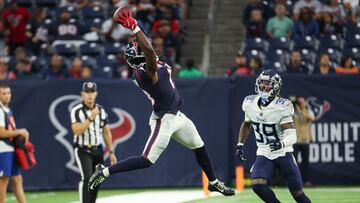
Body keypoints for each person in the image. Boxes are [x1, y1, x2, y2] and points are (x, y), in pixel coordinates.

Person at [88, 9, 235, 196]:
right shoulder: (144, 72)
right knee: (147, 160)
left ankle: (213, 182)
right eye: (141, 48)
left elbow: (148, 47)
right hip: (163, 119)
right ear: (140, 57)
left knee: (199, 147)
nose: (147, 46)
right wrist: (134, 27)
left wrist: (137, 30)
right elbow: (148, 50)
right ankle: (104, 171)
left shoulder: (148, 63)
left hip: (177, 116)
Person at [235, 70, 312, 203]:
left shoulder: (282, 106)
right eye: (262, 83)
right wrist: (240, 144)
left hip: (283, 153)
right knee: (258, 185)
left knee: (298, 194)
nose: (264, 86)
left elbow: (293, 135)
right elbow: (247, 124)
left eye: (268, 84)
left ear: (276, 87)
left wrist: (281, 144)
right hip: (264, 152)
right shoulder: (249, 103)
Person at [70, 82, 117, 203]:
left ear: (96, 94)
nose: (89, 95)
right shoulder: (76, 111)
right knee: (87, 178)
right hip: (83, 149)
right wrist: (91, 117)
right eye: (87, 92)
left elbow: (106, 131)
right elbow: (76, 131)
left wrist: (111, 152)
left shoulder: (101, 110)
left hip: (97, 149)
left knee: (97, 179)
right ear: (82, 94)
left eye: (92, 92)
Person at [0, 84, 29, 203]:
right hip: (3, 149)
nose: (7, 96)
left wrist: (19, 135)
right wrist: (20, 131)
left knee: (17, 179)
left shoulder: (8, 110)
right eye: (3, 93)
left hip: (11, 148)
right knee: (3, 180)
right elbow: (1, 133)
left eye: (9, 93)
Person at [292, 96, 315, 187]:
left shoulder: (308, 111)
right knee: (293, 164)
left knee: (305, 163)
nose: (301, 103)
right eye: (299, 102)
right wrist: (296, 109)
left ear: (305, 102)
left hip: (305, 141)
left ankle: (306, 181)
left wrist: (301, 111)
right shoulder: (293, 112)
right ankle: (295, 182)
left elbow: (312, 118)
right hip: (295, 141)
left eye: (302, 101)